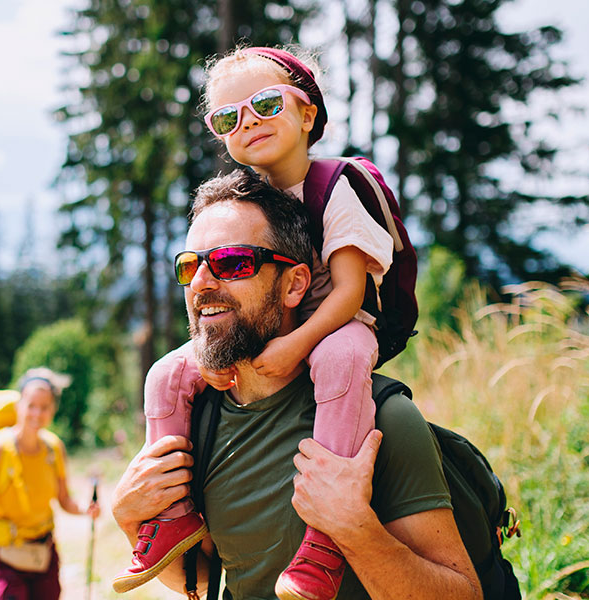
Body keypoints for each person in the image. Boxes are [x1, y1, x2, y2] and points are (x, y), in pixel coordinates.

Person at [112, 169, 482, 600]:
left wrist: (353, 530)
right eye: (191, 266)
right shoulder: (200, 421)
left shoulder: (385, 422)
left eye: (233, 263)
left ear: (294, 284)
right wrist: (130, 519)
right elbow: (205, 578)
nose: (202, 283)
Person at [113, 45, 395, 600]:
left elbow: (349, 290)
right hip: (277, 330)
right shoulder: (253, 200)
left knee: (341, 357)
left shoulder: (336, 186)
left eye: (266, 104)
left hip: (337, 324)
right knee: (166, 375)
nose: (248, 122)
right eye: (227, 117)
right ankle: (169, 514)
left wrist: (295, 344)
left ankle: (325, 536)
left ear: (308, 113)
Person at [0, 368, 101, 600]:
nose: (37, 413)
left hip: (43, 555)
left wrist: (85, 509)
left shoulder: (54, 448)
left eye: (44, 407)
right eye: (31, 405)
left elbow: (64, 500)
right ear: (19, 406)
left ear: (52, 410)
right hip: (5, 558)